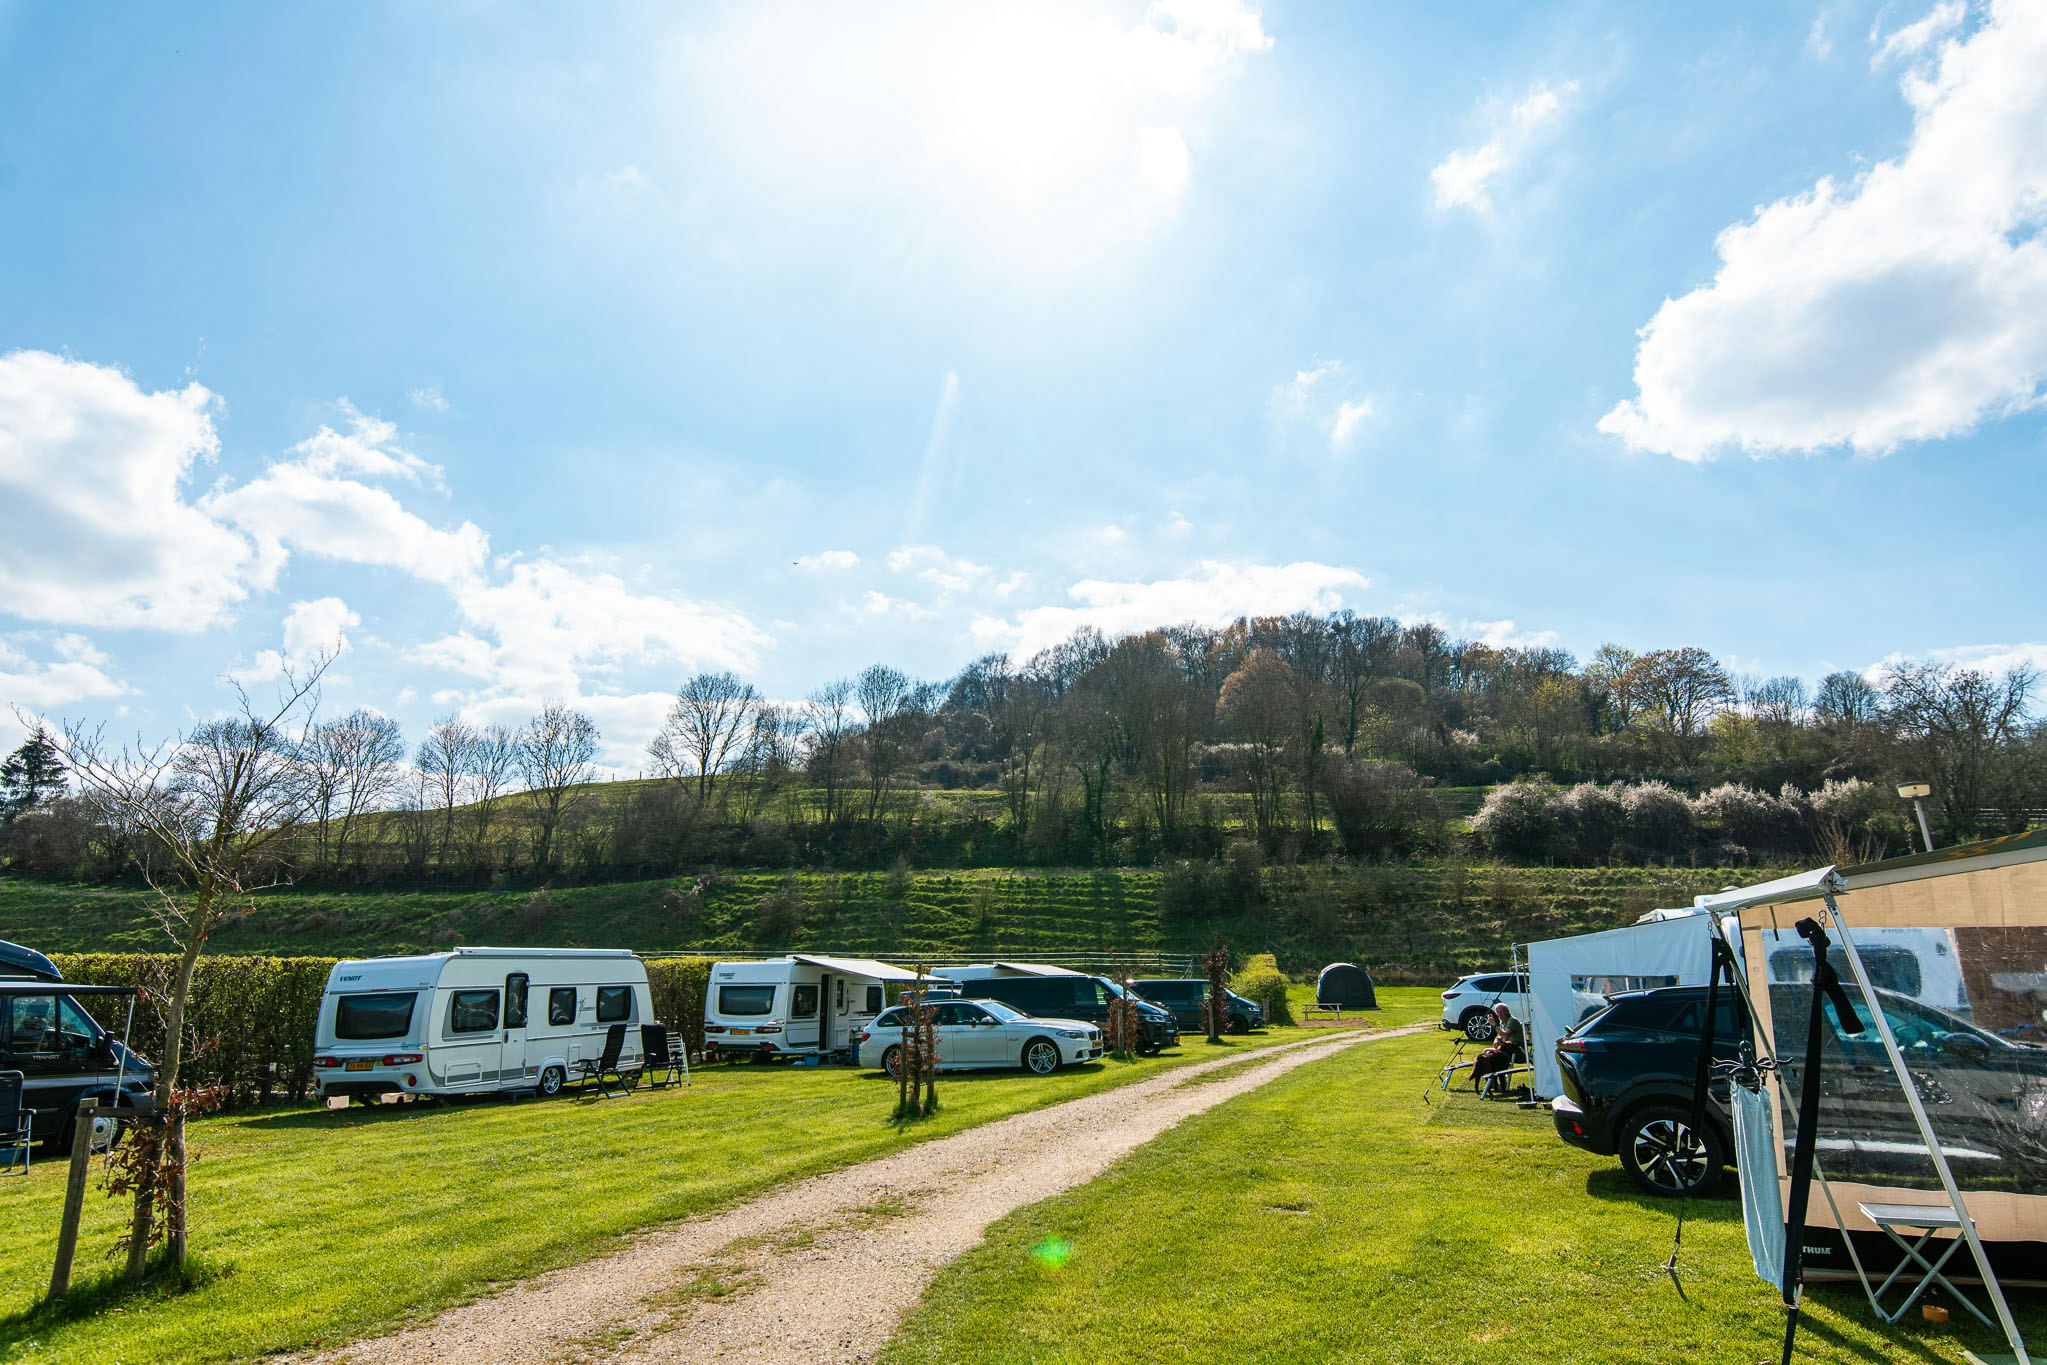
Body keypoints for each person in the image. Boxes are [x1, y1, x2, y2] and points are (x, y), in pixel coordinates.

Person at [1470, 1003, 1526, 1095]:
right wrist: (1497, 1039)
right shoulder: (1503, 1022)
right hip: (1507, 1050)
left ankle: (1496, 1084)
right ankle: (1493, 1083)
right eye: (1498, 1012)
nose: (1499, 1014)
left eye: (1501, 1012)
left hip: (1517, 1051)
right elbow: (1501, 1037)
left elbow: (1504, 1035)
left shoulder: (1512, 1021)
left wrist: (1493, 1024)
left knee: (1489, 1056)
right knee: (1486, 1052)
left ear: (1507, 1011)